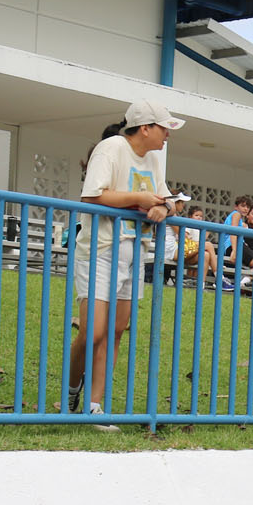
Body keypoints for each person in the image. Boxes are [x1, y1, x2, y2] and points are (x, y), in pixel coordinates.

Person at [67, 99, 185, 429]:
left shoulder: (153, 159)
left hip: (136, 251)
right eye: (164, 128)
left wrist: (165, 207)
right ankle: (72, 389)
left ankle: (94, 406)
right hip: (102, 249)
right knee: (94, 331)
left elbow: (166, 198)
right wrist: (141, 199)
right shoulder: (112, 148)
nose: (167, 136)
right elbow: (92, 196)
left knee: (116, 331)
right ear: (145, 128)